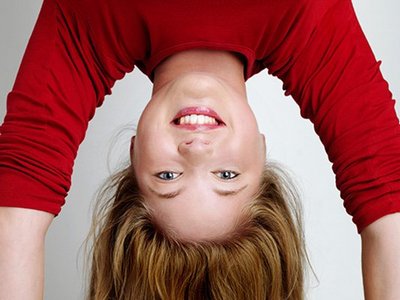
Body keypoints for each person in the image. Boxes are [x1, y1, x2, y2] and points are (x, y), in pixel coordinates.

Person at [1, 0, 400, 299]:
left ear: (135, 151)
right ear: (261, 153)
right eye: (226, 176)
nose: (196, 150)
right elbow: (387, 203)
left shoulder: (87, 22)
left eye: (168, 177)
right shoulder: (308, 21)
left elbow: (16, 212)